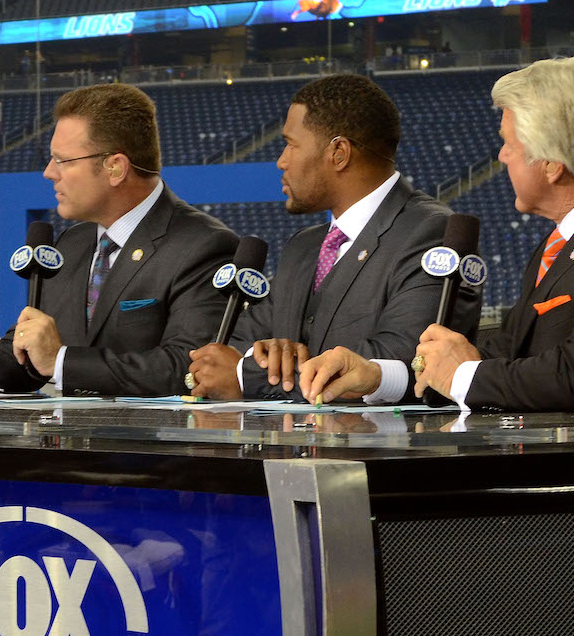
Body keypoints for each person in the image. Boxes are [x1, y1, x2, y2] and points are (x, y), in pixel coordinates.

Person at [301, 55, 574, 413]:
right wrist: (379, 374)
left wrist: (460, 375)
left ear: (552, 163)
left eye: (508, 143)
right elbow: (510, 348)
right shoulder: (573, 237)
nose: (501, 156)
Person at [0, 83, 237, 396]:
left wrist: (59, 360)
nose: (48, 173)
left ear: (115, 167)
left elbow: (188, 370)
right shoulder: (72, 245)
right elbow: (20, 355)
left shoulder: (204, 246)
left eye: (62, 160)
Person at [186, 73, 478, 402]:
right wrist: (266, 355)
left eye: (291, 144)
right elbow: (234, 346)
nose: (281, 161)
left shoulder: (432, 232)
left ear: (338, 152)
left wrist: (245, 376)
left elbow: (405, 359)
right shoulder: (303, 247)